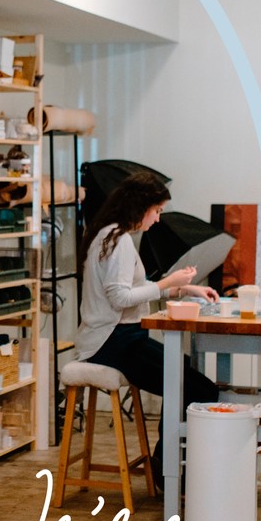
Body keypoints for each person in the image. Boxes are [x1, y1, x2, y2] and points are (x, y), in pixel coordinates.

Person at [72, 171, 219, 488]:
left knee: (186, 373)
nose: (157, 219)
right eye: (157, 211)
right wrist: (167, 284)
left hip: (117, 337)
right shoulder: (118, 240)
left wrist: (183, 288)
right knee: (198, 388)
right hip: (111, 341)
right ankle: (169, 469)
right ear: (141, 207)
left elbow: (132, 289)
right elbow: (120, 297)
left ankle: (167, 464)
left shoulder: (110, 234)